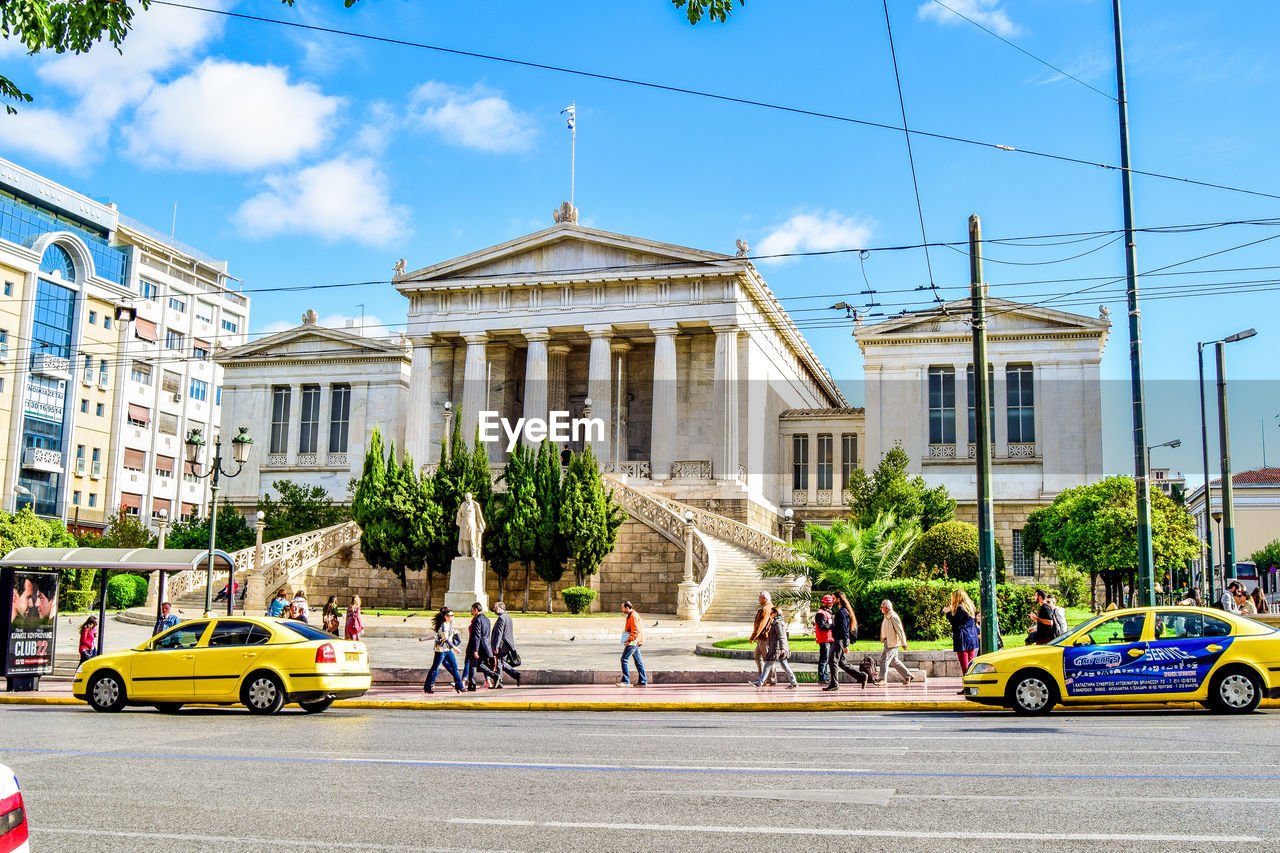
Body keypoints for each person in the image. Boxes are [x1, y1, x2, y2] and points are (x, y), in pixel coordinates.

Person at [823, 591, 867, 691]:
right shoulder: (843, 611)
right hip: (840, 639)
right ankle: (861, 676)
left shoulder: (842, 612)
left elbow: (844, 629)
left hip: (840, 640)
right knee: (841, 662)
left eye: (834, 599)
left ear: (839, 599)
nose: (832, 601)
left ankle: (834, 684)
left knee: (832, 660)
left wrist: (846, 644)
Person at [749, 606, 797, 689]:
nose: (770, 614)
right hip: (776, 648)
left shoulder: (777, 623)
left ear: (776, 613)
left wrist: (782, 648)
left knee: (768, 665)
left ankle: (759, 683)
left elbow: (781, 635)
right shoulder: (776, 621)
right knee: (784, 665)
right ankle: (794, 682)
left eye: (771, 613)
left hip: (776, 649)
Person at [420, 608, 465, 694]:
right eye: (451, 615)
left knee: (454, 667)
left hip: (448, 649)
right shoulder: (443, 626)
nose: (453, 617)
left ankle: (459, 686)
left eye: (453, 615)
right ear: (446, 617)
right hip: (441, 650)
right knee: (435, 667)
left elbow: (440, 636)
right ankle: (427, 686)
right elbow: (445, 638)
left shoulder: (450, 625)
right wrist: (455, 647)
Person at [943, 589, 980, 684]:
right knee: (970, 661)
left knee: (964, 663)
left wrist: (948, 612)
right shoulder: (970, 607)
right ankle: (971, 682)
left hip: (962, 638)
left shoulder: (960, 608)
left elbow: (955, 622)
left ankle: (967, 684)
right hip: (971, 636)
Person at [875, 599, 912, 685]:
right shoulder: (887, 616)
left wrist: (904, 643)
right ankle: (907, 675)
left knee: (884, 660)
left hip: (892, 642)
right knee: (894, 661)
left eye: (882, 607)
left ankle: (882, 679)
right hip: (888, 641)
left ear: (887, 608)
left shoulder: (893, 616)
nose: (880, 609)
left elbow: (900, 630)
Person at [464, 602, 499, 691]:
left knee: (473, 665)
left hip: (477, 647)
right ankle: (494, 676)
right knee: (479, 664)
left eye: (472, 610)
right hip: (485, 646)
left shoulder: (477, 620)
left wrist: (475, 650)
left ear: (476, 610)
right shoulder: (486, 619)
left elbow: (477, 635)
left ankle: (472, 685)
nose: (471, 612)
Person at [489, 601, 521, 688]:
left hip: (501, 645)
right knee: (502, 662)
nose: (494, 610)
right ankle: (516, 675)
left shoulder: (501, 618)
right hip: (507, 644)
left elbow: (500, 633)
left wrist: (496, 647)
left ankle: (499, 682)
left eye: (496, 608)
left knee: (498, 662)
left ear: (502, 608)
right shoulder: (508, 617)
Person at [616, 600, 647, 687]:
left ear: (627, 608)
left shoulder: (633, 616)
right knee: (638, 661)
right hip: (635, 641)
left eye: (622, 607)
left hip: (634, 641)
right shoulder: (630, 615)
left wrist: (630, 640)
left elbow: (635, 630)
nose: (621, 609)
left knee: (624, 659)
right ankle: (643, 681)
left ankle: (626, 681)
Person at [748, 591, 775, 686]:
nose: (758, 599)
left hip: (764, 637)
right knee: (757, 656)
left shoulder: (766, 609)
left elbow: (761, 625)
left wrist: (753, 637)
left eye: (760, 598)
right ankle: (762, 677)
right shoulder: (766, 607)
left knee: (768, 659)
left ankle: (770, 679)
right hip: (761, 637)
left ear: (765, 599)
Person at [814, 594, 835, 686]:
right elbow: (823, 626)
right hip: (824, 639)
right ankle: (822, 677)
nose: (830, 605)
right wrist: (833, 625)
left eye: (831, 603)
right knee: (824, 659)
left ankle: (825, 676)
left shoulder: (828, 612)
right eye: (828, 603)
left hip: (829, 638)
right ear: (824, 603)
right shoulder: (820, 613)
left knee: (827, 659)